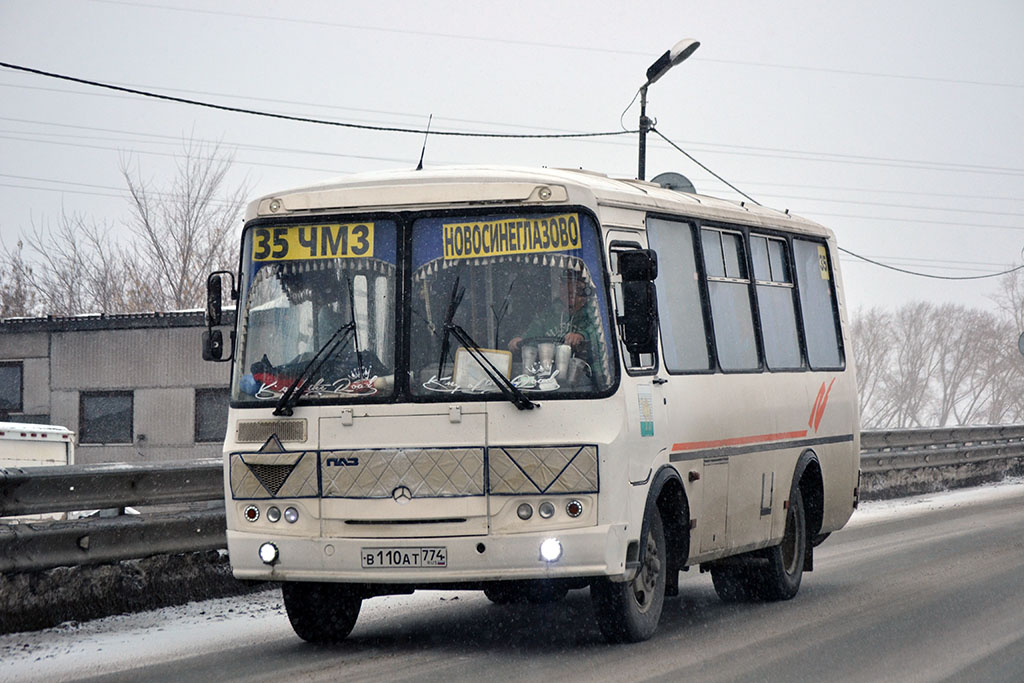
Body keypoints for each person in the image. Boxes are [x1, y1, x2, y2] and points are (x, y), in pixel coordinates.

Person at [508, 269, 599, 358]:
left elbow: (598, 338)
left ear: (586, 293)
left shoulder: (593, 316)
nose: (570, 290)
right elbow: (532, 334)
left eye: (577, 288)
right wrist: (520, 340)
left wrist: (581, 336)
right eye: (565, 285)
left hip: (583, 366)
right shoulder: (548, 315)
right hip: (550, 365)